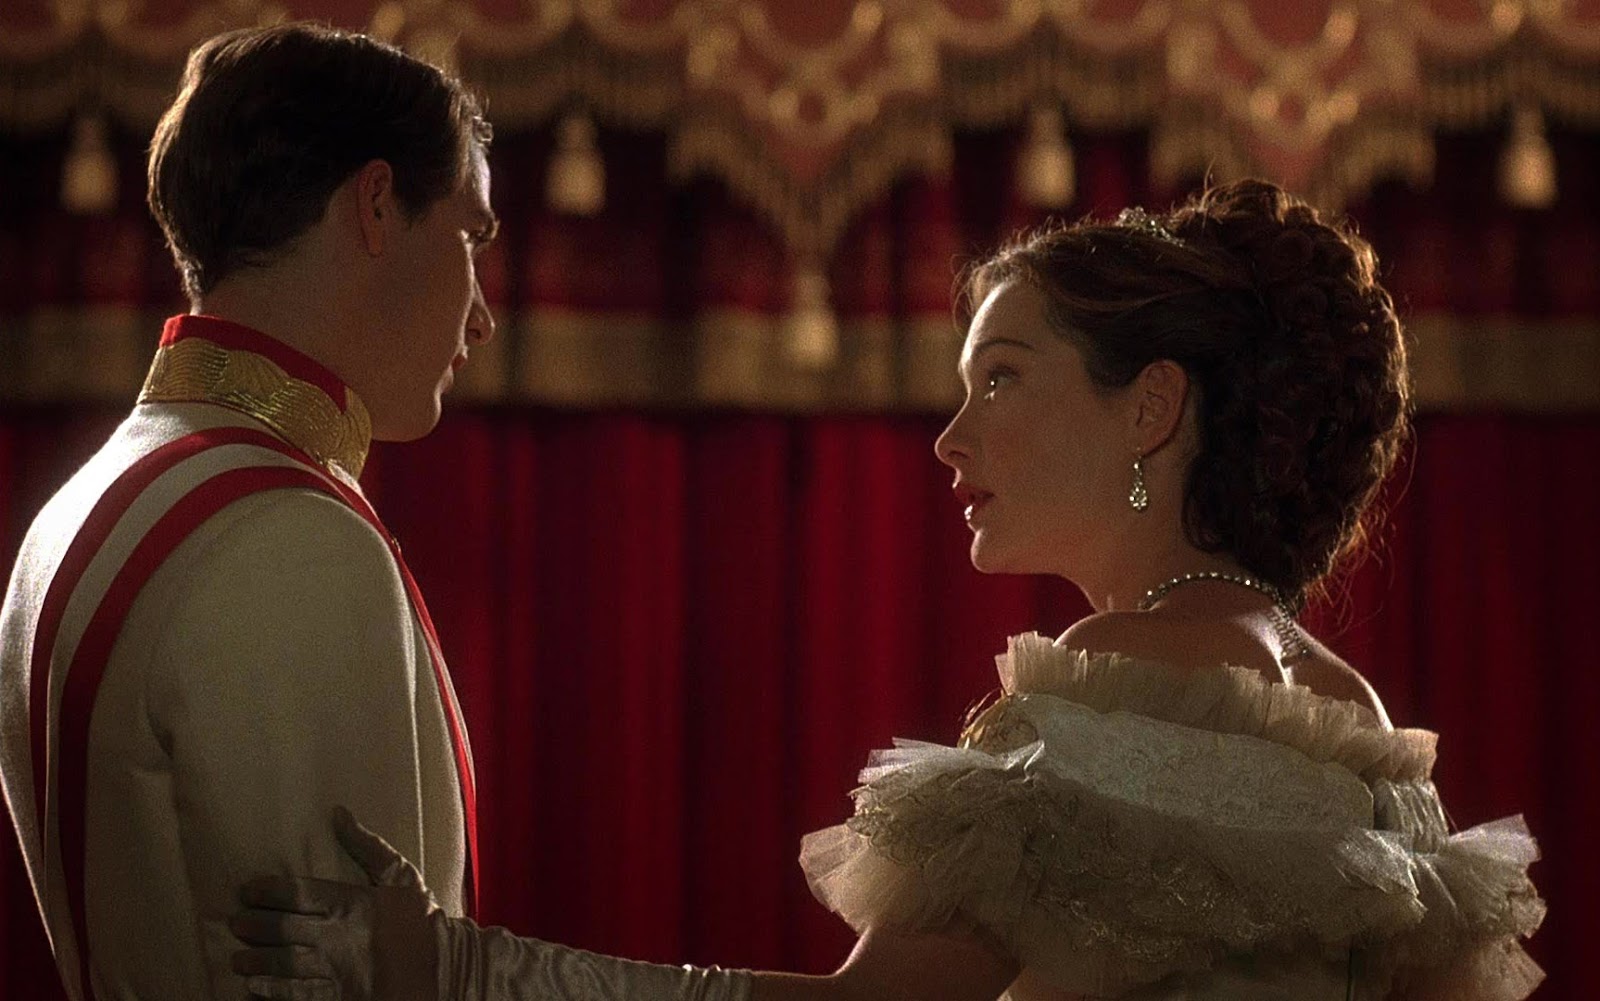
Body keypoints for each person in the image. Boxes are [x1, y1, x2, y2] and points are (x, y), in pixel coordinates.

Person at [229, 181, 1544, 1000]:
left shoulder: (1121, 680)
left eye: (1002, 376)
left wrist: (451, 967)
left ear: (1151, 406)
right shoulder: (1353, 712)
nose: (951, 438)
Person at [0, 22, 497, 1001]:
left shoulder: (74, 507)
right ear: (377, 204)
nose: (482, 314)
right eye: (471, 236)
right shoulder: (294, 536)